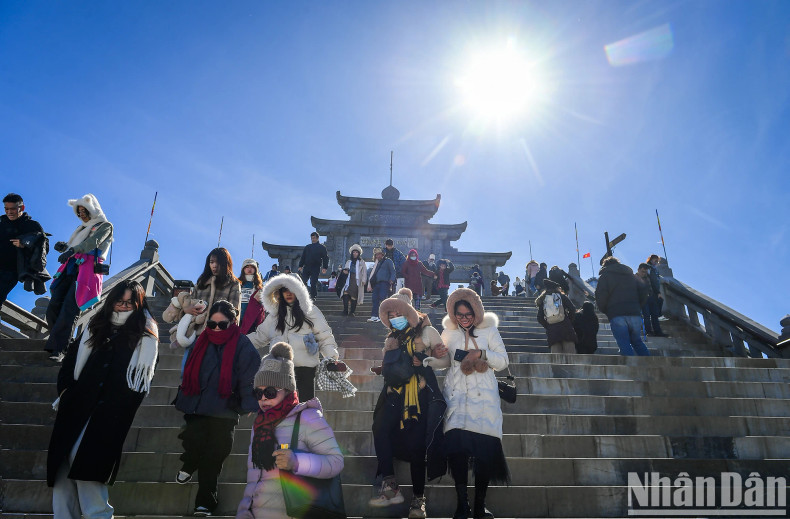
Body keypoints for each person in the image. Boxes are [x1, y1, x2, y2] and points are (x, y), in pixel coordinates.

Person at [47, 280, 159, 519]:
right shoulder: (95, 326)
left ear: (138, 305)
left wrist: (121, 410)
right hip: (76, 404)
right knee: (62, 468)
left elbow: (140, 382)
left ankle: (99, 515)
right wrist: (66, 392)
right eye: (119, 300)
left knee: (86, 465)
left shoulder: (145, 336)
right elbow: (70, 362)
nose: (123, 306)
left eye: (130, 302)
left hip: (109, 413)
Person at [236, 342, 344, 519]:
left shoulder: (308, 417)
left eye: (270, 392)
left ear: (287, 390)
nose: (263, 398)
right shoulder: (260, 425)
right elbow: (254, 481)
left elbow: (336, 462)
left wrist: (297, 462)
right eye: (258, 393)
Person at [174, 300, 260, 516]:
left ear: (233, 322)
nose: (217, 329)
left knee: (215, 455)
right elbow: (189, 366)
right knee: (192, 441)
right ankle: (189, 461)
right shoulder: (201, 340)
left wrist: (248, 402)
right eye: (212, 324)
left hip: (225, 407)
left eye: (223, 325)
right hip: (198, 403)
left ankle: (205, 501)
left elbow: (249, 376)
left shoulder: (242, 344)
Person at [369, 288, 448, 518]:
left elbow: (445, 360)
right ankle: (390, 483)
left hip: (419, 394)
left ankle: (418, 499)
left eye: (398, 312)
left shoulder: (427, 331)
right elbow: (390, 364)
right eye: (390, 314)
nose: (395, 317)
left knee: (416, 447)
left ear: (409, 311)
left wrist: (426, 359)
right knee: (380, 428)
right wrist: (381, 368)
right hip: (394, 393)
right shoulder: (392, 337)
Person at [440, 288, 510, 519]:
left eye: (468, 313)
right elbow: (443, 362)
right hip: (458, 394)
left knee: (485, 452)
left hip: (484, 396)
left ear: (476, 311)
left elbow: (502, 361)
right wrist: (433, 356)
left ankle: (480, 505)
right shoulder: (448, 334)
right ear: (453, 314)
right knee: (457, 451)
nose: (464, 318)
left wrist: (482, 353)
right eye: (459, 314)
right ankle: (463, 505)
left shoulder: (489, 330)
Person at [247, 273, 340, 400]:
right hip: (280, 367)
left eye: (293, 289)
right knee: (283, 408)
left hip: (305, 367)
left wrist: (331, 357)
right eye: (285, 290)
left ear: (299, 291)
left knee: (305, 407)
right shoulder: (274, 315)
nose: (289, 293)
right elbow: (259, 336)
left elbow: (323, 335)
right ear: (279, 292)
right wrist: (238, 342)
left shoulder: (310, 310)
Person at [46, 194, 113, 362]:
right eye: (79, 212)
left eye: (85, 211)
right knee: (53, 306)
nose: (82, 215)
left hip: (87, 270)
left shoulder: (105, 226)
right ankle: (57, 341)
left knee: (70, 308)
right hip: (70, 268)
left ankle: (60, 349)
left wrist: (72, 250)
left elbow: (93, 243)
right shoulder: (82, 228)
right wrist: (65, 247)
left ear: (93, 210)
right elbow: (74, 246)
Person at [167, 248, 241, 372]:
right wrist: (187, 308)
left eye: (218, 262)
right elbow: (190, 302)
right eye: (211, 262)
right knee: (186, 371)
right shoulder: (201, 282)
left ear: (226, 263)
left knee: (211, 373)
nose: (214, 265)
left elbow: (234, 311)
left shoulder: (233, 284)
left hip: (218, 334)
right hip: (196, 333)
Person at [1, 193, 48, 312]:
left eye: (13, 209)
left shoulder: (32, 225)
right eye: (6, 209)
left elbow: (44, 247)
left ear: (21, 208)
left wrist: (25, 244)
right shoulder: (2, 224)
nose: (9, 212)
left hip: (11, 271)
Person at [595, 256, 651, 356]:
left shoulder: (605, 276)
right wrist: (638, 306)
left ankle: (632, 369)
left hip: (617, 313)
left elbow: (601, 296)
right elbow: (643, 292)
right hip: (635, 313)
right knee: (637, 342)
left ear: (605, 266)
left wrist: (606, 310)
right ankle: (651, 367)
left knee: (624, 343)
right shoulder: (631, 276)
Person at [536, 279, 578, 354]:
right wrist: (569, 320)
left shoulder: (543, 299)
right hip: (566, 328)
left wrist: (548, 325)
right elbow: (572, 309)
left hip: (552, 331)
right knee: (571, 357)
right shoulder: (562, 297)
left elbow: (539, 318)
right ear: (556, 288)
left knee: (556, 359)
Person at [367, 247, 396, 323]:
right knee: (375, 299)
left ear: (382, 254)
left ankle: (383, 316)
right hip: (377, 284)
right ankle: (374, 316)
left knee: (382, 298)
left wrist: (392, 279)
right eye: (376, 255)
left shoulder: (388, 261)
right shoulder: (377, 263)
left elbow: (393, 271)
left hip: (385, 283)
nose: (377, 256)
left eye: (379, 254)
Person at [297, 232, 328, 301]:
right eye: (312, 238)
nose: (312, 239)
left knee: (313, 282)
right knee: (303, 281)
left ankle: (313, 296)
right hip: (306, 267)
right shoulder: (307, 247)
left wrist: (325, 267)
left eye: (314, 238)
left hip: (316, 267)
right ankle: (303, 295)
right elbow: (303, 257)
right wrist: (300, 265)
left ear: (317, 238)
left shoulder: (322, 247)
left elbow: (325, 258)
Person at [338, 244, 367, 316]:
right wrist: (343, 271)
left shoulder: (361, 262)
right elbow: (345, 269)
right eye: (353, 252)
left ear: (359, 253)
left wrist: (364, 280)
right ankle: (345, 311)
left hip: (356, 280)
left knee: (354, 296)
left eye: (356, 252)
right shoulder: (348, 261)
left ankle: (352, 312)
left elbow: (364, 272)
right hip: (348, 279)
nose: (355, 254)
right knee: (345, 293)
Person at [239, 259, 265, 335]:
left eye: (252, 267)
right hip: (238, 315)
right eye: (247, 267)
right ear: (243, 269)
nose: (249, 269)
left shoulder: (258, 286)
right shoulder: (237, 283)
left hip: (252, 318)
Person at [645, 255, 667, 336]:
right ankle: (650, 331)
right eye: (655, 261)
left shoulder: (654, 269)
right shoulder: (649, 268)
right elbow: (653, 281)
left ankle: (657, 331)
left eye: (657, 261)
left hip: (652, 293)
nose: (656, 263)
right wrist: (658, 292)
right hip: (649, 293)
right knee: (648, 314)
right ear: (650, 260)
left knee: (653, 314)